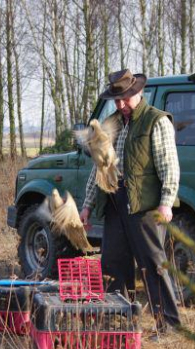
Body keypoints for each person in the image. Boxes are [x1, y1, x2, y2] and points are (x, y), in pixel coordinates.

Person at [79, 69, 182, 332]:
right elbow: (99, 168)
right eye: (117, 100)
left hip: (145, 205)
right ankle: (119, 323)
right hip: (115, 202)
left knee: (153, 265)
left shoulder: (156, 121)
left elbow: (169, 166)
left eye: (126, 98)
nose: (122, 104)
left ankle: (168, 325)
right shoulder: (111, 124)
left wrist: (166, 203)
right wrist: (88, 206)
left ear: (139, 93)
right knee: (113, 263)